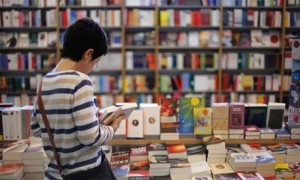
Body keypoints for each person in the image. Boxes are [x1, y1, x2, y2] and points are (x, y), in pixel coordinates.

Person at [31, 18, 124, 180]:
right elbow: (91, 138)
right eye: (96, 61)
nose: (93, 68)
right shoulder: (80, 81)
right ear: (88, 54)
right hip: (87, 174)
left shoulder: (44, 82)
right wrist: (112, 128)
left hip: (55, 174)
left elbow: (36, 129)